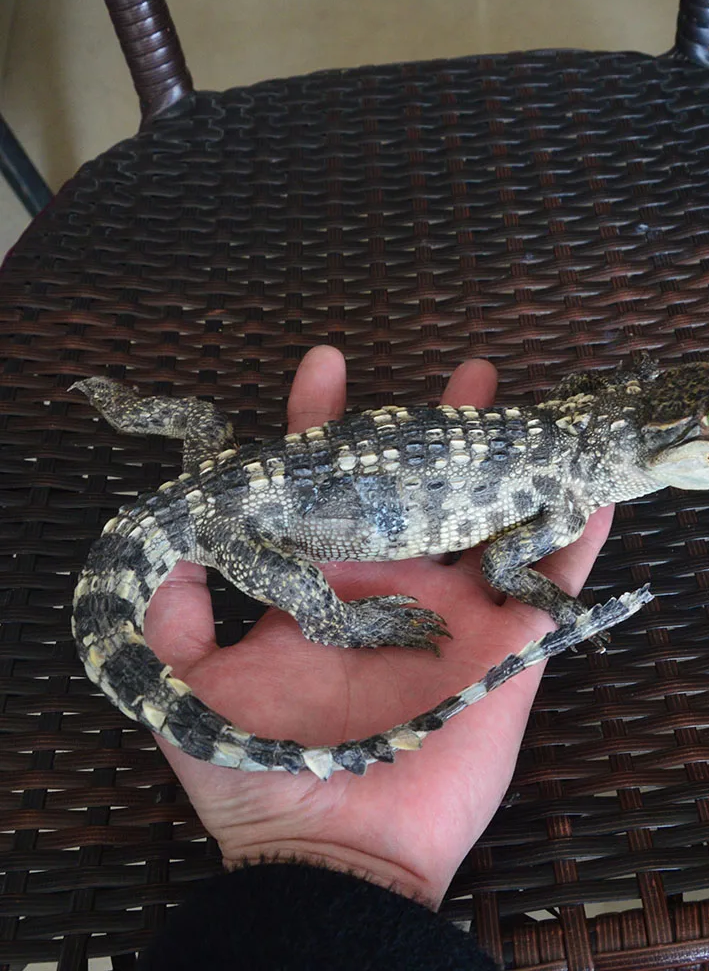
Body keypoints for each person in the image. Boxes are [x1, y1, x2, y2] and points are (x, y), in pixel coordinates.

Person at [138, 346, 614, 970]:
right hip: (233, 520)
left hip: (251, 495)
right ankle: (337, 623)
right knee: (306, 586)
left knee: (208, 427)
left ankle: (138, 412)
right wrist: (349, 622)